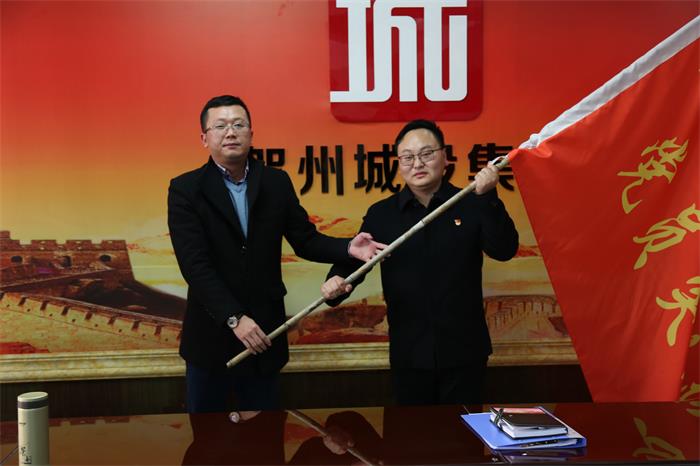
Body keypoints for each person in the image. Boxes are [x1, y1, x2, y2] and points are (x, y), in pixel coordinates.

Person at [168, 95, 384, 413]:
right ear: (205, 138)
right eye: (221, 126)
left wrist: (348, 247)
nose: (231, 132)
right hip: (210, 338)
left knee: (266, 434)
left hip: (265, 333)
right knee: (208, 436)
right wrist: (234, 318)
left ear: (251, 134)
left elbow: (305, 240)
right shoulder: (186, 189)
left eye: (239, 124)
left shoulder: (275, 182)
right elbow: (194, 265)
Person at [322, 119, 519, 405]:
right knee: (410, 432)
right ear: (399, 163)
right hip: (409, 354)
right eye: (408, 157)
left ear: (445, 156)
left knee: (464, 434)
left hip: (465, 352)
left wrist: (489, 197)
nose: (417, 163)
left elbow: (504, 249)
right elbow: (356, 262)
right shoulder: (382, 214)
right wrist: (335, 281)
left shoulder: (471, 202)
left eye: (427, 154)